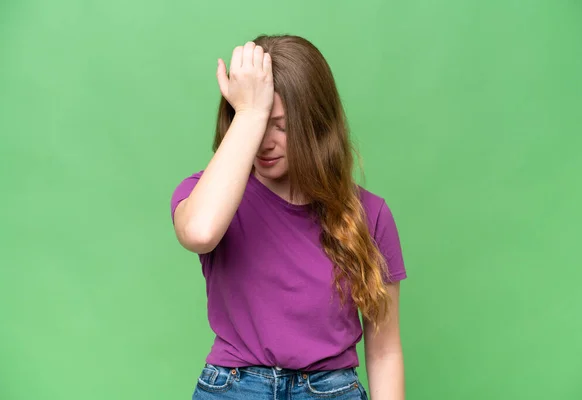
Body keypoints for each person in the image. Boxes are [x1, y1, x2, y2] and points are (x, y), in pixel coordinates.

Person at [170, 34, 407, 400]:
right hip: (233, 388)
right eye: (254, 123)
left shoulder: (370, 214)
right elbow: (199, 232)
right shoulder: (206, 195)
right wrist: (250, 112)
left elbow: (385, 350)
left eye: (280, 125)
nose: (265, 141)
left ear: (317, 124)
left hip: (331, 390)